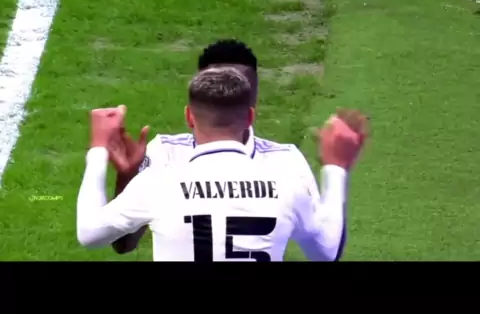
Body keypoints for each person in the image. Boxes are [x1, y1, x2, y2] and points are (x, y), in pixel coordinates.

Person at [77, 67, 367, 261]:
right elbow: (327, 251)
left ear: (189, 117)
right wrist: (335, 167)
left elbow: (89, 234)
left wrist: (99, 148)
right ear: (250, 118)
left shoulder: (159, 182)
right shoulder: (287, 184)